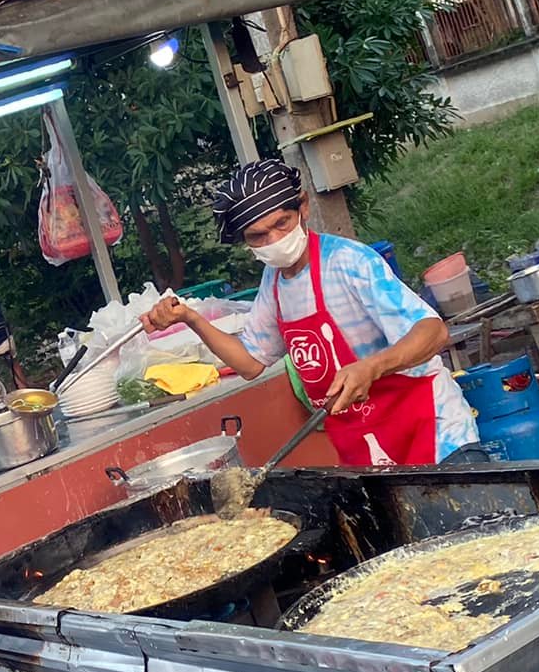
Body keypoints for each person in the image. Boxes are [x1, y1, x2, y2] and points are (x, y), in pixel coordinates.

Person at [142, 160, 478, 468]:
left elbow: (434, 332)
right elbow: (249, 362)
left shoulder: (349, 262)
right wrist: (192, 318)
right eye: (258, 236)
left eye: (282, 223)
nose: (274, 240)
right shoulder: (273, 283)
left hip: (436, 436)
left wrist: (372, 366)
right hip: (367, 451)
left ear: (303, 207)